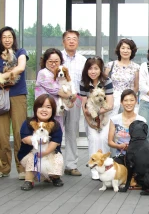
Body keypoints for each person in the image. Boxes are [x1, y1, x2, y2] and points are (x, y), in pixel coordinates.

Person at [0, 26, 29, 180]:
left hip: (18, 96)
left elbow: (21, 67)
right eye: (4, 37)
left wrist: (1, 76)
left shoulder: (21, 52)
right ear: (0, 39)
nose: (7, 39)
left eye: (9, 37)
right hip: (1, 96)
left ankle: (22, 167)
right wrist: (2, 80)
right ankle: (4, 167)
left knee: (19, 132)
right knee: (2, 134)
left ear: (13, 39)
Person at [19, 94, 65, 190]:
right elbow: (26, 139)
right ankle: (29, 180)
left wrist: (45, 152)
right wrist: (40, 141)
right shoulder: (28, 122)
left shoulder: (55, 125)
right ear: (36, 109)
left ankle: (54, 177)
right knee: (33, 156)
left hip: (48, 152)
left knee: (57, 157)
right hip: (29, 154)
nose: (44, 110)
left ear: (53, 110)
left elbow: (55, 142)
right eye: (41, 106)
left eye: (48, 107)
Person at [79, 56, 114, 180]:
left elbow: (110, 105)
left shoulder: (107, 81)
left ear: (101, 70)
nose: (93, 71)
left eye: (96, 68)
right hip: (90, 116)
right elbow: (84, 105)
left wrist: (98, 113)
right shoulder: (83, 83)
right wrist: (89, 120)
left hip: (104, 116)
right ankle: (94, 169)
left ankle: (104, 167)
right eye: (90, 68)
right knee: (93, 138)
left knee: (104, 139)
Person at [60, 30, 87, 176]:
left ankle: (71, 165)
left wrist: (83, 98)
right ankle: (54, 164)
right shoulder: (57, 57)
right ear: (63, 42)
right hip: (57, 99)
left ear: (78, 42)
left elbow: (85, 81)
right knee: (55, 131)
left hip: (75, 100)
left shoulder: (83, 60)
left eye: (74, 39)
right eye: (68, 39)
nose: (71, 41)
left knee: (72, 132)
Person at [35, 48, 69, 131]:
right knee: (44, 137)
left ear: (60, 61)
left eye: (56, 61)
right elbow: (58, 91)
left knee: (57, 138)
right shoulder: (43, 73)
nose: (53, 64)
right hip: (44, 112)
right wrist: (70, 94)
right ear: (45, 61)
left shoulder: (59, 75)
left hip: (57, 113)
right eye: (50, 61)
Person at [108, 89, 146, 158]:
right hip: (119, 156)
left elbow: (144, 142)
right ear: (121, 102)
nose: (129, 103)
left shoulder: (142, 120)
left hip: (137, 156)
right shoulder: (114, 119)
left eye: (131, 100)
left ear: (136, 102)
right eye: (125, 100)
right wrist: (118, 146)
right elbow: (110, 142)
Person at [105, 38, 140, 113]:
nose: (125, 51)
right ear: (119, 50)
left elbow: (136, 87)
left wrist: (128, 98)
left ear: (132, 51)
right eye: (123, 48)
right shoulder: (110, 65)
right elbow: (103, 83)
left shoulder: (136, 67)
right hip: (112, 100)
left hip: (128, 102)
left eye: (128, 48)